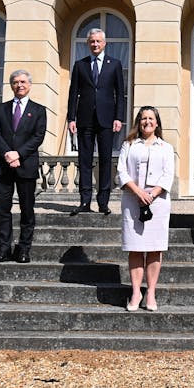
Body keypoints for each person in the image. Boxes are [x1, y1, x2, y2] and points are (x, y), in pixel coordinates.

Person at [117, 106, 175, 312]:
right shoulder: (128, 144)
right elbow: (121, 171)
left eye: (151, 118)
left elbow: (168, 175)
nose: (147, 121)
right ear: (138, 122)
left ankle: (150, 291)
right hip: (132, 200)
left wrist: (152, 194)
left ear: (157, 123)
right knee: (135, 247)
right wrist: (138, 192)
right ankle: (135, 292)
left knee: (154, 248)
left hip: (157, 202)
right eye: (143, 118)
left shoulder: (166, 147)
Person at [0, 70, 47, 264]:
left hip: (26, 165)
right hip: (2, 166)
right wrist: (7, 154)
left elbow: (38, 137)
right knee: (3, 209)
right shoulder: (0, 109)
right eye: (15, 82)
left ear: (29, 85)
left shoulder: (39, 110)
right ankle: (4, 248)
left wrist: (18, 154)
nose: (19, 85)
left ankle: (23, 249)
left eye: (23, 82)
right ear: (11, 85)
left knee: (26, 209)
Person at [67, 28, 126, 216]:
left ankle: (103, 202)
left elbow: (120, 94)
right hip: (84, 120)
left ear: (104, 43)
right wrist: (71, 117)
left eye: (98, 41)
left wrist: (119, 117)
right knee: (84, 160)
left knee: (105, 160)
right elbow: (73, 93)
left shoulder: (114, 64)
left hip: (107, 119)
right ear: (88, 44)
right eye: (92, 41)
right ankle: (85, 201)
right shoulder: (80, 65)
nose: (95, 44)